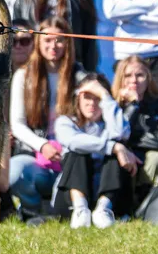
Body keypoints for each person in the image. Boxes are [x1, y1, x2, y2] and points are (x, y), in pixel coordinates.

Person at [8, 17, 82, 217]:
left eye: (59, 40)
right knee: (14, 172)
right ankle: (33, 211)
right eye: (47, 40)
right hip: (35, 155)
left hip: (70, 155)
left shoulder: (78, 75)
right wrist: (42, 145)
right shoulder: (23, 76)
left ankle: (60, 210)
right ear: (38, 43)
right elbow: (17, 124)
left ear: (67, 43)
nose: (53, 46)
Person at [51, 74, 133, 228]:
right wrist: (113, 147)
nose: (92, 103)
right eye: (87, 97)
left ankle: (103, 209)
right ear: (78, 99)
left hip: (108, 193)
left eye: (97, 98)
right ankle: (80, 210)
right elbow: (73, 141)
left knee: (117, 151)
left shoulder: (114, 120)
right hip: (71, 195)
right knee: (78, 152)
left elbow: (119, 133)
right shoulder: (65, 122)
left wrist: (106, 96)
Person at [113, 55, 158, 200]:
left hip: (148, 154)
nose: (134, 80)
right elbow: (118, 134)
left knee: (156, 159)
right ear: (120, 78)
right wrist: (133, 105)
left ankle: (148, 204)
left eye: (140, 75)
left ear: (148, 78)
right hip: (122, 153)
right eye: (128, 75)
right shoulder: (112, 104)